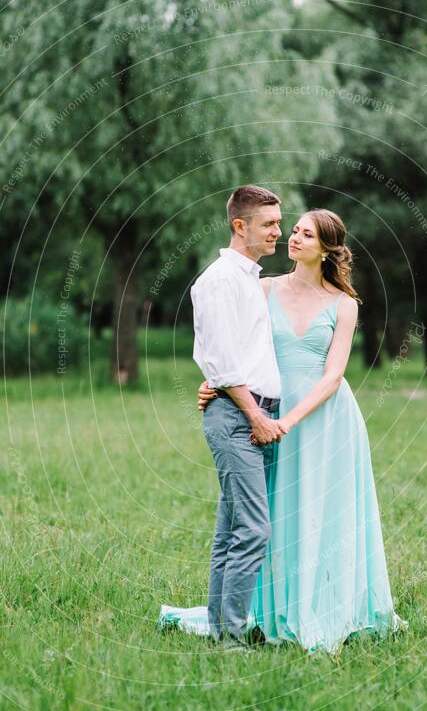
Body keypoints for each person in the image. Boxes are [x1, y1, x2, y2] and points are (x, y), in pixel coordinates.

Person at [159, 204, 408, 654]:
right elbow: (233, 345)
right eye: (292, 230)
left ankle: (324, 605)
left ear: (328, 248)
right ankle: (268, 610)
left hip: (321, 418)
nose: (293, 238)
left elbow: (333, 376)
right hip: (263, 410)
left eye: (306, 235)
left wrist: (288, 421)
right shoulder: (263, 288)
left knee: (320, 510)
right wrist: (213, 383)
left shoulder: (344, 304)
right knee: (271, 514)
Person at [183, 185, 286, 649]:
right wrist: (256, 417)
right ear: (239, 226)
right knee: (253, 529)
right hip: (239, 419)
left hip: (247, 412)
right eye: (269, 224)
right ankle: (232, 637)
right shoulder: (222, 280)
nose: (278, 232)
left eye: (280, 223)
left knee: (232, 528)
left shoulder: (247, 278)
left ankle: (221, 627)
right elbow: (224, 364)